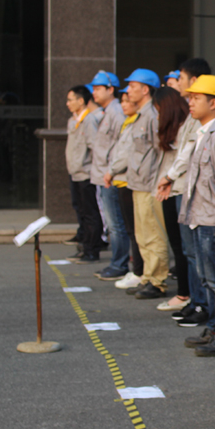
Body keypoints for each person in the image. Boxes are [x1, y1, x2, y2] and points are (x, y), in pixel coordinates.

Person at [177, 74, 215, 357]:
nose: (190, 103)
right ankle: (214, 327)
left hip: (212, 219)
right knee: (207, 278)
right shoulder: (204, 133)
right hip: (198, 215)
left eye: (196, 98)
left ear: (213, 102)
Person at [156, 57, 213, 321]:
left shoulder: (213, 124)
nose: (178, 85)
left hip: (195, 193)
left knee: (201, 255)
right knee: (190, 252)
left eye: (180, 78)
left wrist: (169, 176)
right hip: (185, 188)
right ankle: (196, 299)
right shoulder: (193, 116)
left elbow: (188, 153)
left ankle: (204, 305)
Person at [109, 69, 170, 299]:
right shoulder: (139, 116)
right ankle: (147, 275)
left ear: (146, 89)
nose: (128, 90)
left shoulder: (153, 116)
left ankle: (157, 280)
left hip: (148, 184)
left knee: (153, 234)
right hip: (136, 183)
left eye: (133, 86)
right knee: (142, 234)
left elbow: (159, 152)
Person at [89, 71, 130, 281]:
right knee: (112, 223)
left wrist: (111, 171)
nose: (94, 93)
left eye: (98, 88)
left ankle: (119, 263)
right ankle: (118, 261)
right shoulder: (107, 112)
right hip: (105, 175)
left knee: (116, 224)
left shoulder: (116, 112)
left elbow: (121, 147)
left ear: (110, 89)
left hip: (112, 176)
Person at [154, 87, 192, 313]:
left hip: (178, 190)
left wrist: (169, 178)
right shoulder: (177, 127)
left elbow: (183, 159)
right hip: (170, 188)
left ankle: (185, 293)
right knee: (179, 246)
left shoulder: (186, 126)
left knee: (183, 247)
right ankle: (187, 293)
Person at [106, 89, 145, 290]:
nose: (124, 104)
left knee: (133, 230)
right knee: (131, 229)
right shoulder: (128, 122)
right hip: (122, 180)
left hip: (127, 180)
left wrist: (111, 171)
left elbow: (125, 155)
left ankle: (139, 270)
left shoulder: (137, 122)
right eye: (122, 101)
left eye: (127, 100)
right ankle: (137, 269)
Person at [65, 85, 104, 263]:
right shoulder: (73, 120)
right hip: (75, 173)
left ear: (81, 101)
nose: (68, 103)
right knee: (80, 210)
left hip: (86, 174)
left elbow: (94, 147)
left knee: (90, 213)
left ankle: (92, 250)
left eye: (70, 100)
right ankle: (84, 246)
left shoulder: (89, 120)